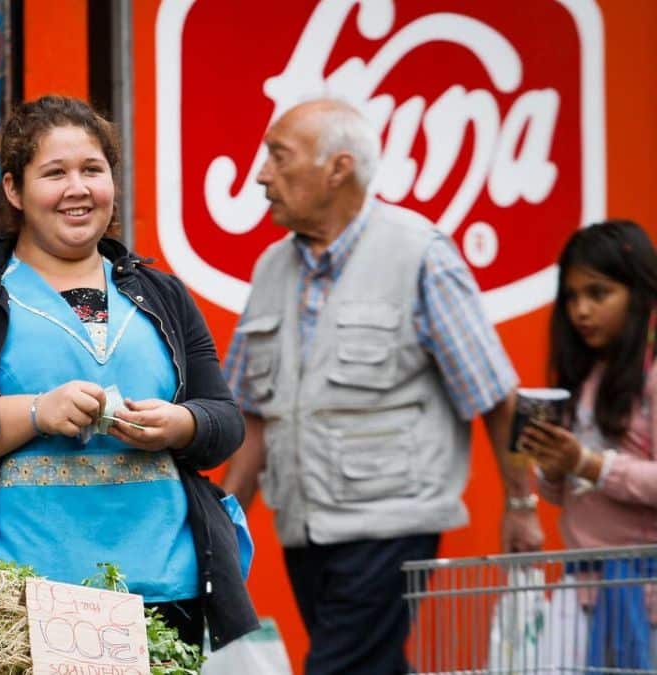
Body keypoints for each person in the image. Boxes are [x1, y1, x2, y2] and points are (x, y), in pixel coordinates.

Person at [0, 94, 259, 649]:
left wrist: (181, 425)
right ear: (14, 189)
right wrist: (39, 411)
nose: (78, 188)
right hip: (19, 598)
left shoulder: (160, 293)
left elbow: (224, 420)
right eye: (54, 173)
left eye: (93, 169)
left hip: (166, 589)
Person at [219, 98, 544, 674]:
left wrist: (520, 504)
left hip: (391, 523)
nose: (262, 174)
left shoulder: (419, 254)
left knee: (341, 668)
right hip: (304, 530)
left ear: (337, 169)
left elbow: (495, 395)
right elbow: (253, 415)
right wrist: (226, 523)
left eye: (278, 156)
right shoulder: (272, 267)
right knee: (374, 666)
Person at [519, 220, 657, 667]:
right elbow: (563, 494)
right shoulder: (586, 378)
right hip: (582, 589)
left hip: (646, 593)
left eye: (598, 294)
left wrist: (590, 463)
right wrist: (555, 466)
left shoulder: (653, 376)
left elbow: (598, 469)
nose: (580, 311)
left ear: (639, 294)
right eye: (572, 296)